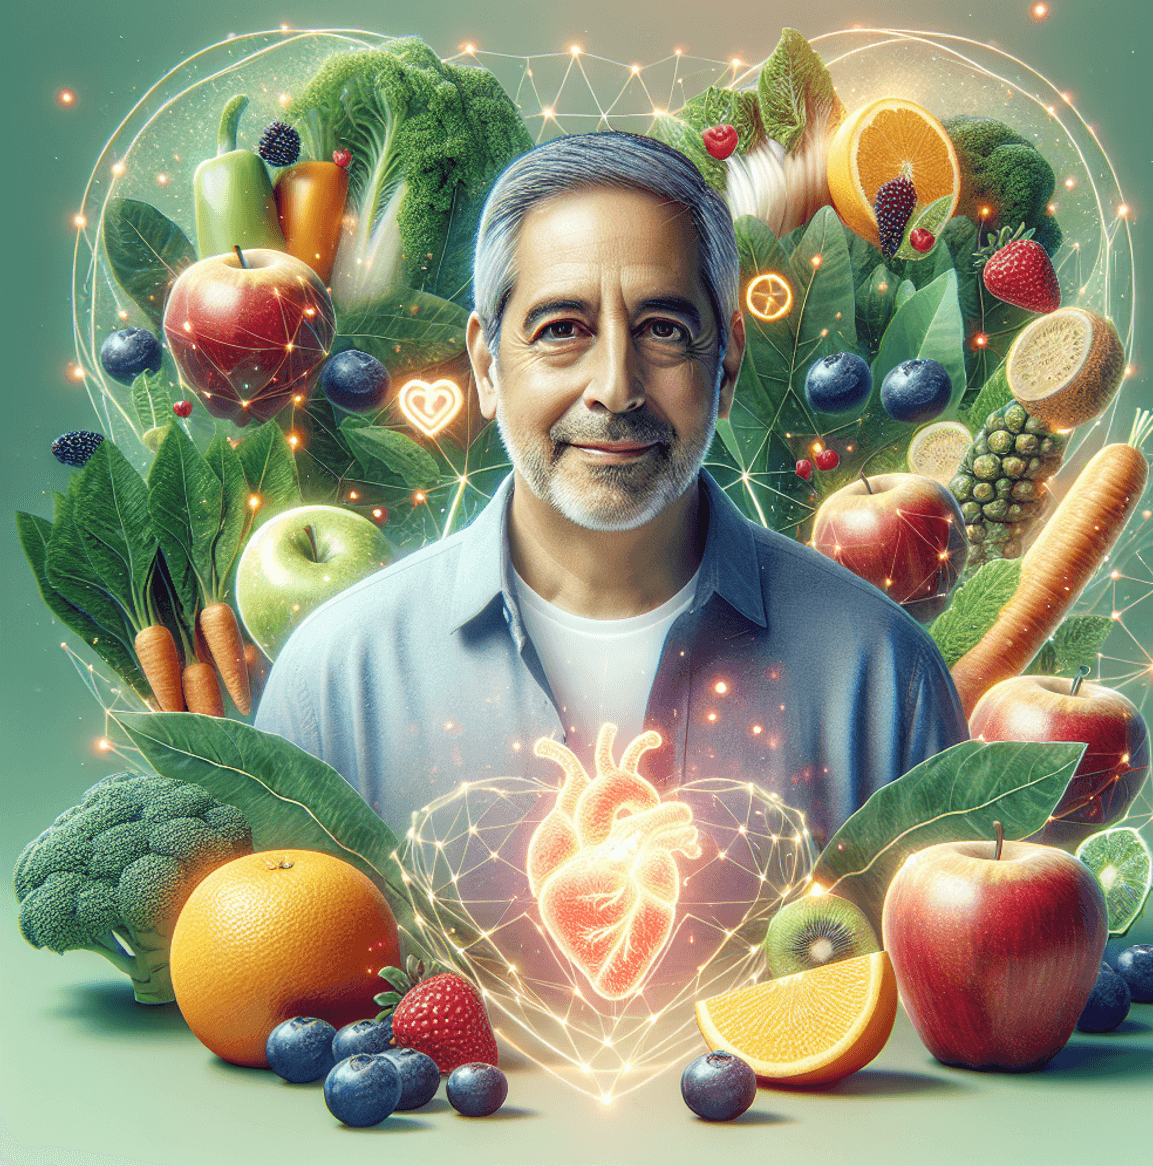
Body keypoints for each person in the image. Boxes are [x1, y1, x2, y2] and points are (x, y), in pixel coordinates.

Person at [255, 131, 968, 848]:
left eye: (662, 329)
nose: (615, 388)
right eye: (562, 329)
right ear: (486, 365)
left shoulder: (881, 676)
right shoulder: (334, 682)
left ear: (725, 368)